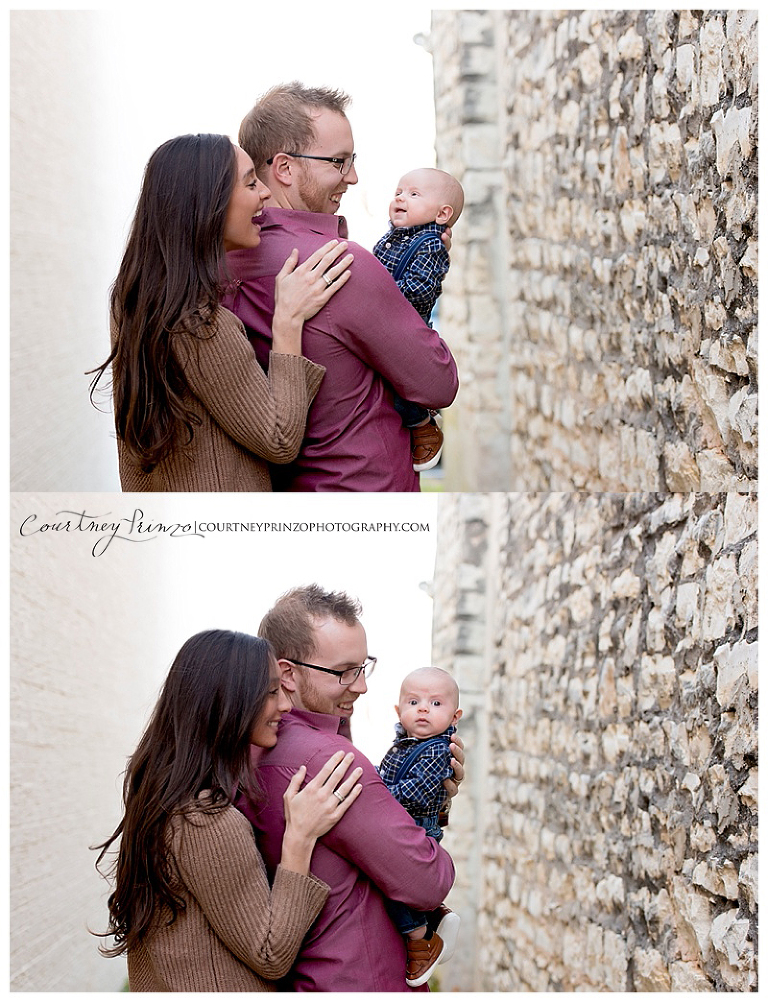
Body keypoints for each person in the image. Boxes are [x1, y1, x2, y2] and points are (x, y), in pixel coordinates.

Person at [94, 629, 363, 991]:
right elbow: (271, 954)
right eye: (270, 692)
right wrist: (300, 837)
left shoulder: (162, 796)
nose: (284, 705)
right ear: (228, 702)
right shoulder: (205, 819)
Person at [223, 83, 459, 492]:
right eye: (338, 162)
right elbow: (438, 382)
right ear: (284, 168)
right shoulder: (335, 265)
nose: (352, 177)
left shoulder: (222, 260)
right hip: (364, 489)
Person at [88, 133, 353, 491]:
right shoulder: (198, 321)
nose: (265, 193)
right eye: (250, 183)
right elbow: (279, 438)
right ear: (207, 203)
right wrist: (288, 320)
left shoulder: (135, 296)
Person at [236, 585, 466, 992]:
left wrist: (437, 791)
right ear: (287, 673)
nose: (361, 686)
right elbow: (429, 881)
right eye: (344, 671)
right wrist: (434, 811)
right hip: (363, 980)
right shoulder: (329, 762)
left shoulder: (252, 748)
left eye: (364, 666)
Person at [373, 168, 465, 473]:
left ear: (442, 214)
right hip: (382, 320)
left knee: (396, 380)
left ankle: (421, 423)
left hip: (406, 326)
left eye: (413, 194)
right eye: (399, 192)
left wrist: (373, 291)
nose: (401, 198)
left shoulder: (430, 245)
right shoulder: (393, 238)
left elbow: (420, 291)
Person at [378, 666, 464, 987]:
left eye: (436, 704)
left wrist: (375, 797)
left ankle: (421, 938)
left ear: (455, 717)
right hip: (403, 825)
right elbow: (386, 775)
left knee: (391, 881)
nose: (424, 708)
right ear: (399, 711)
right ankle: (434, 915)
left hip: (418, 828)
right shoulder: (404, 745)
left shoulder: (439, 750)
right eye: (414, 702)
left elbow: (414, 792)